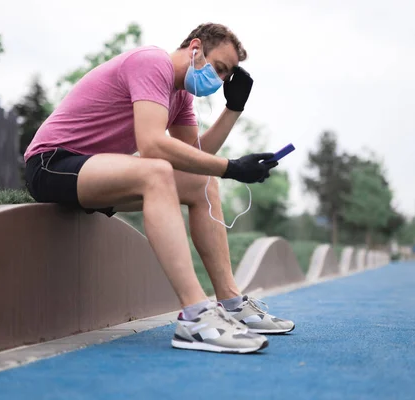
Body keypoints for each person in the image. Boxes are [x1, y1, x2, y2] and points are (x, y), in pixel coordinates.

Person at [23, 23, 294, 354]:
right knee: (157, 171)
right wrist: (232, 168)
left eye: (226, 76)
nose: (220, 81)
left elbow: (195, 159)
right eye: (219, 68)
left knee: (201, 182)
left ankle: (231, 302)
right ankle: (195, 316)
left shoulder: (180, 96)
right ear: (195, 47)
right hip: (51, 164)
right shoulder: (153, 63)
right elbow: (152, 146)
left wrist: (233, 109)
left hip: (97, 174)